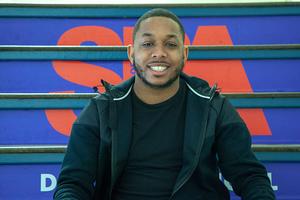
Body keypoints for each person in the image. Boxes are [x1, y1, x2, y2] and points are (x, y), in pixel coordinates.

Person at [54, 8, 275, 200]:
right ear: (131, 53)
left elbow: (250, 177)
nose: (159, 53)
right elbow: (72, 184)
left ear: (184, 54)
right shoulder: (100, 110)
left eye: (170, 44)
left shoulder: (214, 108)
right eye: (148, 44)